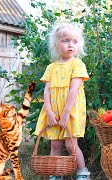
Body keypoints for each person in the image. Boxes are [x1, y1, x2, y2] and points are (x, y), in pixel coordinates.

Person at [34, 22, 90, 180]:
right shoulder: (51, 67)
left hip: (70, 110)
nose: (70, 45)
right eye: (65, 41)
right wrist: (50, 112)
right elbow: (47, 91)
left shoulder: (77, 64)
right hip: (53, 110)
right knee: (55, 144)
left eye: (74, 41)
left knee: (70, 144)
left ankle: (82, 172)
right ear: (56, 44)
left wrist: (66, 114)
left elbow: (74, 90)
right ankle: (56, 173)